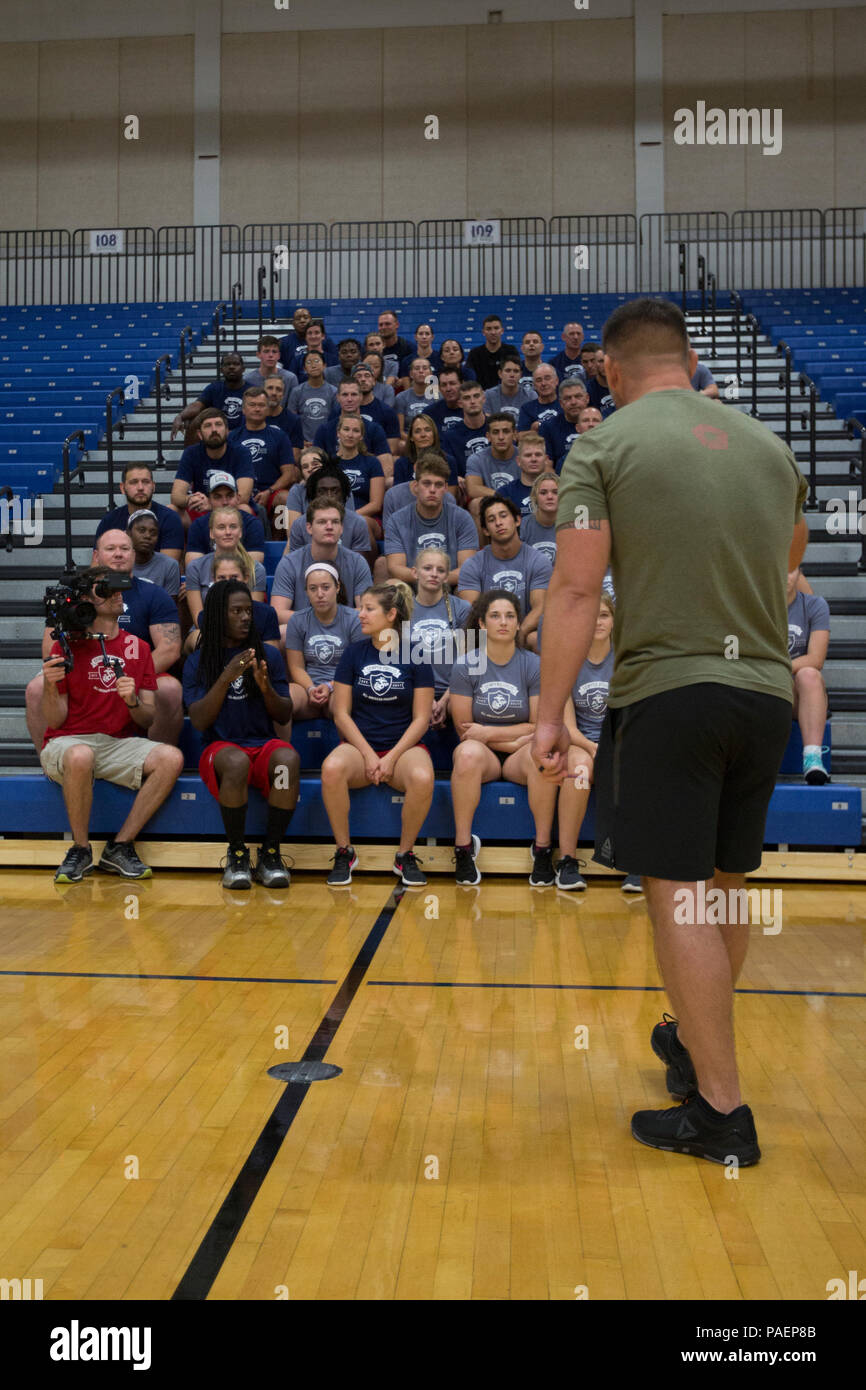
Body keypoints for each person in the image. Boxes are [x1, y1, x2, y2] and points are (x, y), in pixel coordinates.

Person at [535, 295, 808, 1166]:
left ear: (611, 370)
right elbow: (793, 563)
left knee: (680, 894)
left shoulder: (604, 444)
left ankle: (722, 1113)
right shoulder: (768, 447)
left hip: (672, 693)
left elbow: (576, 591)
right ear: (688, 361)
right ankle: (694, 1051)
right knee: (725, 886)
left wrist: (549, 715)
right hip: (767, 695)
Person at [40, 566, 184, 883]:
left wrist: (132, 700)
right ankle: (79, 849)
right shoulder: (66, 645)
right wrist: (51, 685)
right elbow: (54, 720)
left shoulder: (139, 648)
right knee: (81, 755)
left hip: (116, 743)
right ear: (87, 599)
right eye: (106, 590)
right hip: (67, 741)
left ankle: (120, 846)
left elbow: (147, 719)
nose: (117, 595)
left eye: (119, 590)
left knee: (171, 758)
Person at [184, 580, 299, 890]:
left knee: (287, 761)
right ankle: (236, 855)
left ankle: (270, 854)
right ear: (220, 615)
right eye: (237, 611)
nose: (245, 617)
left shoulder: (268, 657)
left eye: (248, 611)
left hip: (262, 745)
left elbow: (284, 714)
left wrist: (265, 688)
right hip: (219, 748)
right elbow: (198, 720)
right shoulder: (199, 660)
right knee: (235, 762)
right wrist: (226, 677)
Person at [27, 529, 183, 752]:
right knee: (35, 688)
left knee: (169, 688)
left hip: (136, 667)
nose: (118, 554)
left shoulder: (154, 593)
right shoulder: (76, 593)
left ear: (134, 554)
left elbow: (169, 648)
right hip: (79, 667)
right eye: (110, 549)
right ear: (96, 556)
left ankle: (150, 759)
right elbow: (50, 645)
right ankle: (52, 762)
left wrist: (133, 675)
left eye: (125, 548)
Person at [322, 581, 435, 887]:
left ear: (391, 615)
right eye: (361, 607)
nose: (360, 614)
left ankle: (405, 855)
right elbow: (341, 713)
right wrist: (370, 755)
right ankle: (344, 851)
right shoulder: (353, 654)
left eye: (369, 609)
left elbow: (422, 718)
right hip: (360, 748)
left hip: (403, 748)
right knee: (331, 768)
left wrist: (392, 757)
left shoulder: (416, 655)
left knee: (423, 777)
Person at [449, 589, 560, 887]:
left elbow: (539, 725)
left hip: (517, 757)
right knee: (467, 753)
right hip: (484, 754)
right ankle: (462, 849)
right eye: (495, 616)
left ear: (518, 623)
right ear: (482, 624)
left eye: (510, 616)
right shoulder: (465, 665)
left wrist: (489, 733)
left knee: (544, 756)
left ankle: (543, 849)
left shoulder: (532, 665)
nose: (503, 622)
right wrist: (510, 739)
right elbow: (464, 730)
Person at [536, 594, 641, 891]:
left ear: (614, 620)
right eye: (591, 615)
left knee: (633, 768)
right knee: (579, 772)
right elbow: (568, 727)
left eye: (604, 615)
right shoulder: (569, 662)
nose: (597, 622)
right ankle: (567, 861)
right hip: (580, 745)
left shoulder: (626, 662)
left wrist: (611, 750)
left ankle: (634, 861)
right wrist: (596, 750)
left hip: (618, 743)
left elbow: (630, 720)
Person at [458, 496, 552, 649]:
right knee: (465, 639)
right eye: (491, 519)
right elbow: (472, 612)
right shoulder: (473, 565)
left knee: (536, 638)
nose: (498, 523)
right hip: (487, 633)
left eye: (503, 515)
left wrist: (518, 635)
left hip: (524, 632)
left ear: (517, 520)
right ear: (485, 530)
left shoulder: (538, 561)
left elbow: (540, 608)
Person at [270, 499, 373, 625]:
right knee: (282, 633)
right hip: (303, 630)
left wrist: (331, 620)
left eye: (335, 522)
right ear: (309, 528)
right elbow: (278, 613)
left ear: (341, 528)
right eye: (322, 522)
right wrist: (320, 620)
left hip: (346, 630)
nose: (329, 527)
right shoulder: (289, 563)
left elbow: (367, 609)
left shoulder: (357, 562)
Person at [385, 455, 477, 589]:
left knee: (468, 588)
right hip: (412, 587)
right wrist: (429, 578)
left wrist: (436, 579)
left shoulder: (462, 518)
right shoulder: (397, 520)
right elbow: (395, 568)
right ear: (416, 486)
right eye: (426, 483)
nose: (432, 490)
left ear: (446, 488)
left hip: (450, 586)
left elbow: (466, 569)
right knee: (391, 584)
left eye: (438, 484)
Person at [285, 564, 363, 720]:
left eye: (326, 587)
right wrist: (310, 688)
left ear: (337, 587)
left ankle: (347, 744)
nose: (320, 594)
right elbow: (296, 667)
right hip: (307, 687)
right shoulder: (297, 620)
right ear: (306, 592)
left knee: (341, 704)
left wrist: (329, 686)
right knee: (284, 699)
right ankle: (281, 745)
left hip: (341, 684)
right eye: (313, 589)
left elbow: (357, 667)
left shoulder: (354, 619)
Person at [408, 548, 471, 736]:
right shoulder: (402, 610)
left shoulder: (463, 608)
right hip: (414, 689)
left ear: (446, 577)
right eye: (427, 568)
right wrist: (425, 700)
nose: (434, 574)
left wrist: (443, 701)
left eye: (440, 570)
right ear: (415, 572)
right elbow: (400, 664)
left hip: (453, 690)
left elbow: (473, 663)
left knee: (460, 704)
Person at [184, 552, 280, 655]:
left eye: (234, 577)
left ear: (246, 578)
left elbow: (271, 658)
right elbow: (211, 658)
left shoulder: (266, 614)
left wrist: (242, 663)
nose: (228, 582)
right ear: (214, 580)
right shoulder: (207, 615)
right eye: (222, 578)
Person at [228, 386, 298, 525]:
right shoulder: (232, 437)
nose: (257, 409)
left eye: (261, 405)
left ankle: (278, 542)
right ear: (243, 409)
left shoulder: (280, 436)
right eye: (252, 405)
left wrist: (269, 491)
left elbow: (289, 473)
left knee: (285, 499)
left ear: (267, 409)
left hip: (272, 491)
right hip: (239, 493)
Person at [787, 565, 831, 783]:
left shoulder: (814, 605)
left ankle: (813, 759)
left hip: (795, 692)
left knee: (809, 674)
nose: (785, 576)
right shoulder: (756, 607)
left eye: (791, 570)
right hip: (766, 685)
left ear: (799, 574)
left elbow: (816, 659)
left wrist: (778, 666)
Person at [170, 410, 254, 521]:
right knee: (172, 510)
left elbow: (243, 497)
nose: (214, 430)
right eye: (208, 426)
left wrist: (212, 504)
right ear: (200, 434)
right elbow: (176, 496)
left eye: (218, 424)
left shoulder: (241, 452)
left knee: (244, 509)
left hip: (230, 507)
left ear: (227, 431)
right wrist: (191, 499)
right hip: (201, 508)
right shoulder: (191, 453)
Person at [185, 511, 266, 625]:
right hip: (206, 631)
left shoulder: (255, 568)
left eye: (233, 527)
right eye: (221, 527)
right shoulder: (195, 567)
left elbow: (252, 615)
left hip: (243, 629)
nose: (228, 532)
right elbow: (198, 619)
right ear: (212, 533)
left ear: (241, 532)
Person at [96, 462, 183, 561]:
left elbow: (167, 569)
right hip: (118, 575)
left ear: (153, 486)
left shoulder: (170, 518)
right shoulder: (109, 521)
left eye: (145, 482)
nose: (140, 487)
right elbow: (97, 567)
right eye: (134, 482)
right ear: (122, 488)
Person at [286, 464, 370, 555]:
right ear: (313, 494)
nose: (329, 496)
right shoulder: (299, 525)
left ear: (344, 494)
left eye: (335, 491)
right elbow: (295, 564)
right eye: (322, 491)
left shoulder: (358, 523)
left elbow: (356, 566)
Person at [185, 472, 266, 565]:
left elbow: (254, 565)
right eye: (218, 497)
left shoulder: (252, 524)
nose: (224, 502)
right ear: (209, 500)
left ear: (238, 498)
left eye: (229, 496)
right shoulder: (198, 526)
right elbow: (193, 566)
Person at [171, 351, 249, 439]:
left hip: (244, 435)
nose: (231, 367)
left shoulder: (251, 390)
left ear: (243, 368)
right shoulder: (215, 388)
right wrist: (180, 416)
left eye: (236, 364)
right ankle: (190, 452)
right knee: (193, 422)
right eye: (227, 364)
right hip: (217, 434)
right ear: (221, 369)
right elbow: (197, 405)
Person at [392, 413, 459, 490]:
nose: (423, 435)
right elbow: (398, 497)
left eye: (427, 430)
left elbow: (450, 498)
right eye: (417, 431)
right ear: (411, 437)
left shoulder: (449, 462)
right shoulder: (401, 464)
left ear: (434, 434)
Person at [539, 381, 591, 470]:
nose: (573, 402)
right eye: (567, 398)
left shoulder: (600, 423)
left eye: (578, 396)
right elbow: (547, 465)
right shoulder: (548, 427)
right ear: (561, 403)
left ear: (587, 398)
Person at [287, 349, 338, 441]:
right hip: (303, 443)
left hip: (327, 441)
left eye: (317, 361)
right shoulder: (296, 391)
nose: (313, 365)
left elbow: (336, 421)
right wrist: (300, 441)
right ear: (304, 369)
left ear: (324, 366)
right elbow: (291, 420)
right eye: (309, 362)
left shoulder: (334, 391)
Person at [127, 511, 180, 596]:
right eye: (142, 530)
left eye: (153, 532)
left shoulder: (169, 565)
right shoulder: (118, 563)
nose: (148, 536)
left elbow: (169, 606)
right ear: (129, 533)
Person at [496, 436, 551, 518]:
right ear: (518, 461)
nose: (533, 459)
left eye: (538, 455)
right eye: (528, 455)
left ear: (546, 460)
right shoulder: (505, 493)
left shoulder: (559, 490)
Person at [466, 315, 519, 389]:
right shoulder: (475, 353)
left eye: (496, 328)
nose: (493, 332)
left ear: (502, 331)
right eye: (489, 329)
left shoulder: (511, 351)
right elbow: (470, 379)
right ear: (483, 332)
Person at [244, 335, 298, 404]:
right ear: (258, 355)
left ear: (279, 356)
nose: (270, 355)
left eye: (274, 352)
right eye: (266, 351)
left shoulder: (290, 379)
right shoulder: (248, 380)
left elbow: (292, 408)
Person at [520, 471, 559, 566]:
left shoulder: (570, 526)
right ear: (535, 497)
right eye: (543, 493)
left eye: (555, 492)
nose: (550, 497)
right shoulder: (524, 525)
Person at [483, 356, 536, 423]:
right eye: (508, 371)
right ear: (500, 373)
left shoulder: (531, 396)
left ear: (520, 375)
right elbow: (487, 424)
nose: (512, 375)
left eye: (516, 371)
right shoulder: (488, 395)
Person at [262, 374, 305, 454]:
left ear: (283, 395)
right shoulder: (252, 417)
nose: (274, 393)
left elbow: (294, 457)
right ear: (263, 392)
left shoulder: (294, 420)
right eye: (270, 388)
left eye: (279, 389)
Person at [516, 364, 562, 439]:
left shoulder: (566, 404)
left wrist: (540, 427)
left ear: (556, 381)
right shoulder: (527, 408)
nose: (543, 383)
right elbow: (519, 436)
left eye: (547, 378)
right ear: (534, 385)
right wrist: (533, 430)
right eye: (539, 380)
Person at [395, 358, 436, 436]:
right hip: (409, 440)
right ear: (411, 374)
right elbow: (400, 431)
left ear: (431, 374)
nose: (421, 371)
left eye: (425, 368)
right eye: (417, 368)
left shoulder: (438, 397)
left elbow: (439, 427)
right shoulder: (401, 397)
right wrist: (413, 442)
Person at [425, 367, 465, 436]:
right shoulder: (430, 413)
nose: (448, 389)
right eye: (444, 385)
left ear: (462, 384)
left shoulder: (472, 410)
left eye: (452, 383)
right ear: (439, 388)